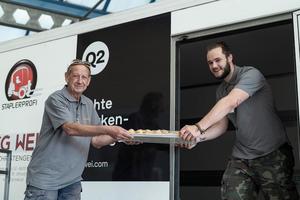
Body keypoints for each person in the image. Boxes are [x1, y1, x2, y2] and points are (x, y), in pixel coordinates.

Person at [179, 41, 299, 199]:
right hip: (241, 158)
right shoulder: (221, 90)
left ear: (229, 58)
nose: (214, 66)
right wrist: (198, 137)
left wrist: (197, 127)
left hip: (272, 153)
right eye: (210, 63)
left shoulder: (251, 74)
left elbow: (231, 102)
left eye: (218, 60)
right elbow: (221, 126)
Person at [24, 59, 133, 200]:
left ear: (88, 81)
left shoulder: (88, 103)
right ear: (66, 77)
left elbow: (96, 141)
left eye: (84, 77)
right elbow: (70, 128)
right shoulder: (56, 99)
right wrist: (109, 129)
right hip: (45, 181)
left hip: (72, 182)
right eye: (75, 76)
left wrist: (122, 136)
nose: (79, 81)